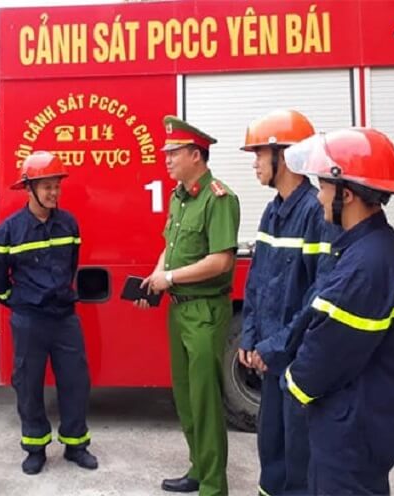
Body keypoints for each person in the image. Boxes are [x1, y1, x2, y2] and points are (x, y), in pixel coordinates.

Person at [282, 127, 394, 495]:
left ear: (347, 194)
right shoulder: (381, 246)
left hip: (350, 432)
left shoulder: (365, 265)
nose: (319, 196)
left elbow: (326, 354)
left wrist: (291, 383)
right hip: (367, 421)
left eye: (323, 186)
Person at [137, 116, 240, 496]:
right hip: (179, 309)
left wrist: (171, 277)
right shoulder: (179, 197)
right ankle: (198, 467)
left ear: (196, 155)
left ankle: (213, 486)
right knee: (185, 396)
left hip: (205, 312)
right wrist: (156, 276)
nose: (166, 159)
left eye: (173, 152)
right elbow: (170, 245)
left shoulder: (219, 198)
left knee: (206, 401)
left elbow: (221, 261)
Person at [238, 110, 339, 496]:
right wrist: (249, 336)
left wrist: (275, 346)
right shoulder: (272, 211)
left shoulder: (317, 212)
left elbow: (319, 294)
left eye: (259, 154)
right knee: (271, 449)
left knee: (299, 458)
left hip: (296, 362)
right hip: (270, 358)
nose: (254, 163)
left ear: (286, 155)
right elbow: (256, 281)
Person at [0, 151, 97, 476]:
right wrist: (17, 302)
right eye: (47, 186)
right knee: (28, 384)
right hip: (29, 319)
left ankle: (76, 445)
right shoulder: (10, 231)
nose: (54, 192)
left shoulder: (69, 224)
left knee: (75, 381)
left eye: (56, 186)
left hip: (64, 317)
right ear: (29, 188)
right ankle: (35, 448)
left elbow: (71, 265)